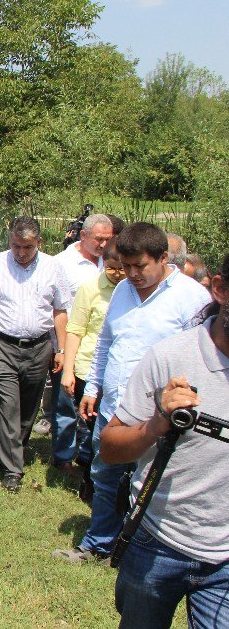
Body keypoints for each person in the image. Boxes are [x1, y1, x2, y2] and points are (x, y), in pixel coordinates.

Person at [54, 223, 212, 562]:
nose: (131, 274)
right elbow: (107, 343)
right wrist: (93, 387)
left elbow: (201, 360)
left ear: (163, 258)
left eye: (140, 266)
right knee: (104, 474)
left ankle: (143, 547)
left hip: (161, 415)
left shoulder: (192, 298)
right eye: (126, 266)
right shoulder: (124, 290)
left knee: (153, 483)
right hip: (114, 406)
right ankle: (98, 543)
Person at [100, 254, 229, 629]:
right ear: (220, 289)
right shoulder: (171, 356)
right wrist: (156, 423)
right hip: (157, 540)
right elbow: (110, 448)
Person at [0, 217, 72, 492]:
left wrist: (61, 349)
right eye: (16, 246)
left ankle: (16, 447)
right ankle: (12, 467)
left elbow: (60, 310)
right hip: (1, 346)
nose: (21, 253)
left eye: (28, 247)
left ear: (39, 242)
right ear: (9, 239)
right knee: (7, 406)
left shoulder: (53, 267)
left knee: (28, 408)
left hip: (38, 348)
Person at [47, 214, 113, 475]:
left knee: (95, 407)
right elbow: (55, 306)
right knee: (66, 403)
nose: (104, 245)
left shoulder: (112, 262)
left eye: (108, 239)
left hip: (101, 346)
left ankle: (89, 456)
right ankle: (63, 456)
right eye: (99, 239)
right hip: (72, 344)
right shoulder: (63, 263)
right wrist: (60, 348)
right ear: (83, 235)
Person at [61, 243, 125, 503]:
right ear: (103, 263)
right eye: (112, 268)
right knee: (90, 430)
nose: (118, 274)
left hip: (119, 371)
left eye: (123, 269)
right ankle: (90, 480)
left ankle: (112, 484)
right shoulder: (91, 288)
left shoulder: (133, 290)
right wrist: (68, 370)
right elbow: (75, 329)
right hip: (89, 368)